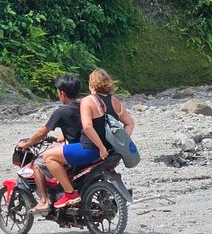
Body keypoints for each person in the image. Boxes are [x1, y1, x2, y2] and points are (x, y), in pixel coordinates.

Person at [43, 68, 135, 209]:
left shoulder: (87, 101)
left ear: (91, 84)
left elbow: (87, 127)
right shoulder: (115, 101)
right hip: (111, 151)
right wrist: (120, 143)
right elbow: (130, 123)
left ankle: (69, 193)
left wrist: (100, 147)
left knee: (48, 156)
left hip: (89, 150)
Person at [17, 74, 82, 212]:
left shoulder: (61, 111)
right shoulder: (84, 106)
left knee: (38, 164)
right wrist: (63, 137)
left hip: (76, 151)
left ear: (62, 93)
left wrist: (27, 144)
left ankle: (43, 201)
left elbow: (42, 133)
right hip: (85, 146)